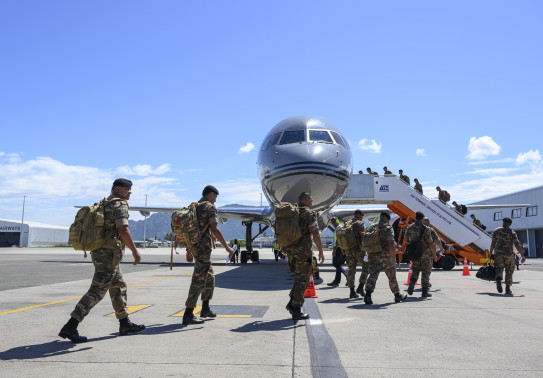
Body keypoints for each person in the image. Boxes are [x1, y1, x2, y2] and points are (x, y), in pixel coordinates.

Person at [58, 178, 145, 343]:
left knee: (118, 286)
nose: (130, 192)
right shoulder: (119, 204)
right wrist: (135, 251)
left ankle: (125, 323)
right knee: (97, 291)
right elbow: (123, 229)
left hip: (102, 252)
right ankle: (71, 326)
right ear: (118, 189)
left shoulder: (105, 203)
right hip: (108, 255)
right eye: (127, 189)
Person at [182, 185, 234, 325]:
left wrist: (189, 249)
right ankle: (188, 313)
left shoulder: (194, 206)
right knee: (198, 280)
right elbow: (215, 228)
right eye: (215, 197)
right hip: (203, 248)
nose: (215, 201)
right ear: (211, 194)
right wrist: (227, 248)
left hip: (195, 247)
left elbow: (189, 229)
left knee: (209, 277)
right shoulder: (209, 207)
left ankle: (205, 309)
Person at [285, 192, 325, 320]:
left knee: (298, 277)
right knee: (303, 280)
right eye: (311, 200)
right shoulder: (309, 214)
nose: (312, 202)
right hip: (303, 252)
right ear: (306, 200)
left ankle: (291, 303)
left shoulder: (291, 213)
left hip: (291, 251)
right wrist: (321, 250)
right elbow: (315, 233)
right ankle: (296, 309)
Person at [364, 213, 407, 305]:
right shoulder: (388, 228)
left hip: (373, 255)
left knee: (372, 275)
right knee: (391, 276)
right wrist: (393, 257)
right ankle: (397, 295)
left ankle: (368, 295)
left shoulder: (372, 227)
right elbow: (391, 243)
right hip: (386, 256)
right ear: (387, 219)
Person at [405, 212, 438, 298]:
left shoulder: (410, 227)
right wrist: (434, 254)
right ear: (422, 218)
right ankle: (424, 292)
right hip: (425, 254)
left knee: (415, 270)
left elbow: (406, 240)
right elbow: (430, 243)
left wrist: (413, 245)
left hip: (414, 253)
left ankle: (412, 282)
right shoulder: (426, 228)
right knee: (425, 272)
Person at [489, 217, 526, 294]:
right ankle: (507, 288)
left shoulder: (496, 231)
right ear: (510, 224)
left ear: (503, 222)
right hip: (508, 254)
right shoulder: (512, 232)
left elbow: (493, 243)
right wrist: (522, 255)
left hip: (498, 254)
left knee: (499, 268)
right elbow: (517, 245)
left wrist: (490, 253)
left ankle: (498, 278)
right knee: (509, 271)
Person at [344, 210, 368, 298]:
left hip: (349, 251)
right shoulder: (359, 224)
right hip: (359, 250)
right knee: (366, 267)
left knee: (351, 270)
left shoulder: (347, 223)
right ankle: (361, 287)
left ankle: (352, 292)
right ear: (360, 216)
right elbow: (362, 236)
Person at [327, 219, 347, 287]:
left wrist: (335, 249)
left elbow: (338, 239)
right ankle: (336, 281)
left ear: (337, 222)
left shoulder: (338, 228)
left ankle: (347, 275)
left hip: (338, 248)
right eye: (332, 222)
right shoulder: (339, 227)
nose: (333, 223)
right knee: (338, 265)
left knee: (335, 264)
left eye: (334, 222)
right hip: (341, 248)